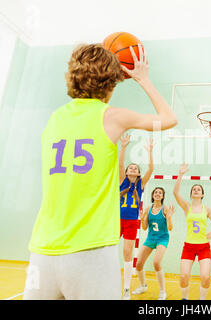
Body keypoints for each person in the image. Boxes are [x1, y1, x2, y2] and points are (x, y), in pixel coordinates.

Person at [24, 43, 177, 300]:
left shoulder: (54, 119)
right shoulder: (112, 117)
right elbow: (169, 118)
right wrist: (143, 79)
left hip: (42, 252)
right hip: (89, 251)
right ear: (112, 82)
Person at [173, 163, 211, 300]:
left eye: (199, 189)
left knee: (205, 277)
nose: (196, 190)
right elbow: (175, 193)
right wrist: (180, 174)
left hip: (203, 246)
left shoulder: (207, 209)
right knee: (184, 276)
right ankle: (185, 299)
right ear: (191, 193)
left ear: (202, 194)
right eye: (194, 189)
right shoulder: (187, 207)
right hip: (188, 246)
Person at [118, 134, 155, 299]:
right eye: (130, 167)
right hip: (117, 220)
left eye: (135, 168)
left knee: (127, 252)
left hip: (132, 222)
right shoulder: (122, 181)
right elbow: (120, 164)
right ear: (126, 172)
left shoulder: (140, 184)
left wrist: (150, 152)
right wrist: (124, 147)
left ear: (139, 173)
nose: (132, 169)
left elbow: (151, 169)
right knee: (109, 250)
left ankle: (126, 287)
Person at [132, 187, 174, 300]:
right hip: (150, 238)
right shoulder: (147, 208)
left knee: (156, 263)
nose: (158, 194)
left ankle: (162, 292)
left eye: (160, 193)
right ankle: (142, 286)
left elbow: (170, 228)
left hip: (162, 239)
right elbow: (145, 228)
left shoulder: (165, 209)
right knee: (138, 264)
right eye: (156, 192)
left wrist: (169, 217)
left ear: (163, 196)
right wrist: (142, 219)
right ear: (152, 195)